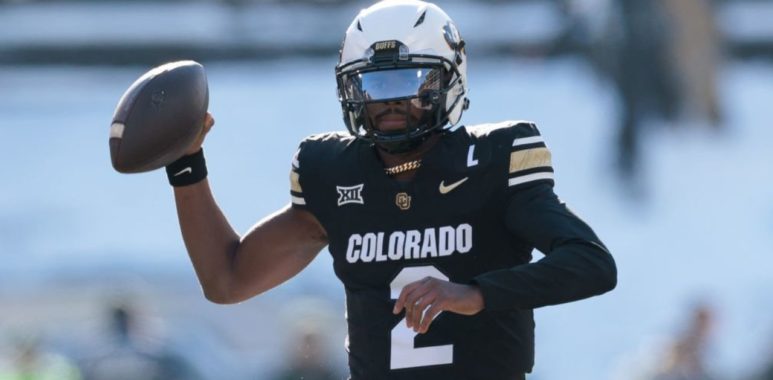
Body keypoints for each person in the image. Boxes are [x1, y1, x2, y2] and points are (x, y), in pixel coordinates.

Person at [164, 1, 617, 379]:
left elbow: (591, 263)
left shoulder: (492, 160)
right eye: (374, 84)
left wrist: (474, 293)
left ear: (448, 81)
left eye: (410, 82)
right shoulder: (333, 173)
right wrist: (186, 165)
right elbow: (227, 280)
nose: (390, 101)